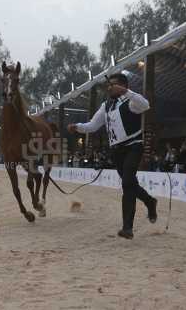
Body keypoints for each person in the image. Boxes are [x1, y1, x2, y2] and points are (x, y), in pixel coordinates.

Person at [67, 72, 157, 240]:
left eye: (114, 85)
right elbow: (93, 125)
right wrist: (77, 126)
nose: (110, 88)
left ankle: (127, 228)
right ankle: (150, 201)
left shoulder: (131, 101)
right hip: (117, 151)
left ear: (123, 86)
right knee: (130, 184)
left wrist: (126, 92)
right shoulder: (106, 105)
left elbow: (145, 105)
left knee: (127, 183)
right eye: (109, 85)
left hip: (133, 147)